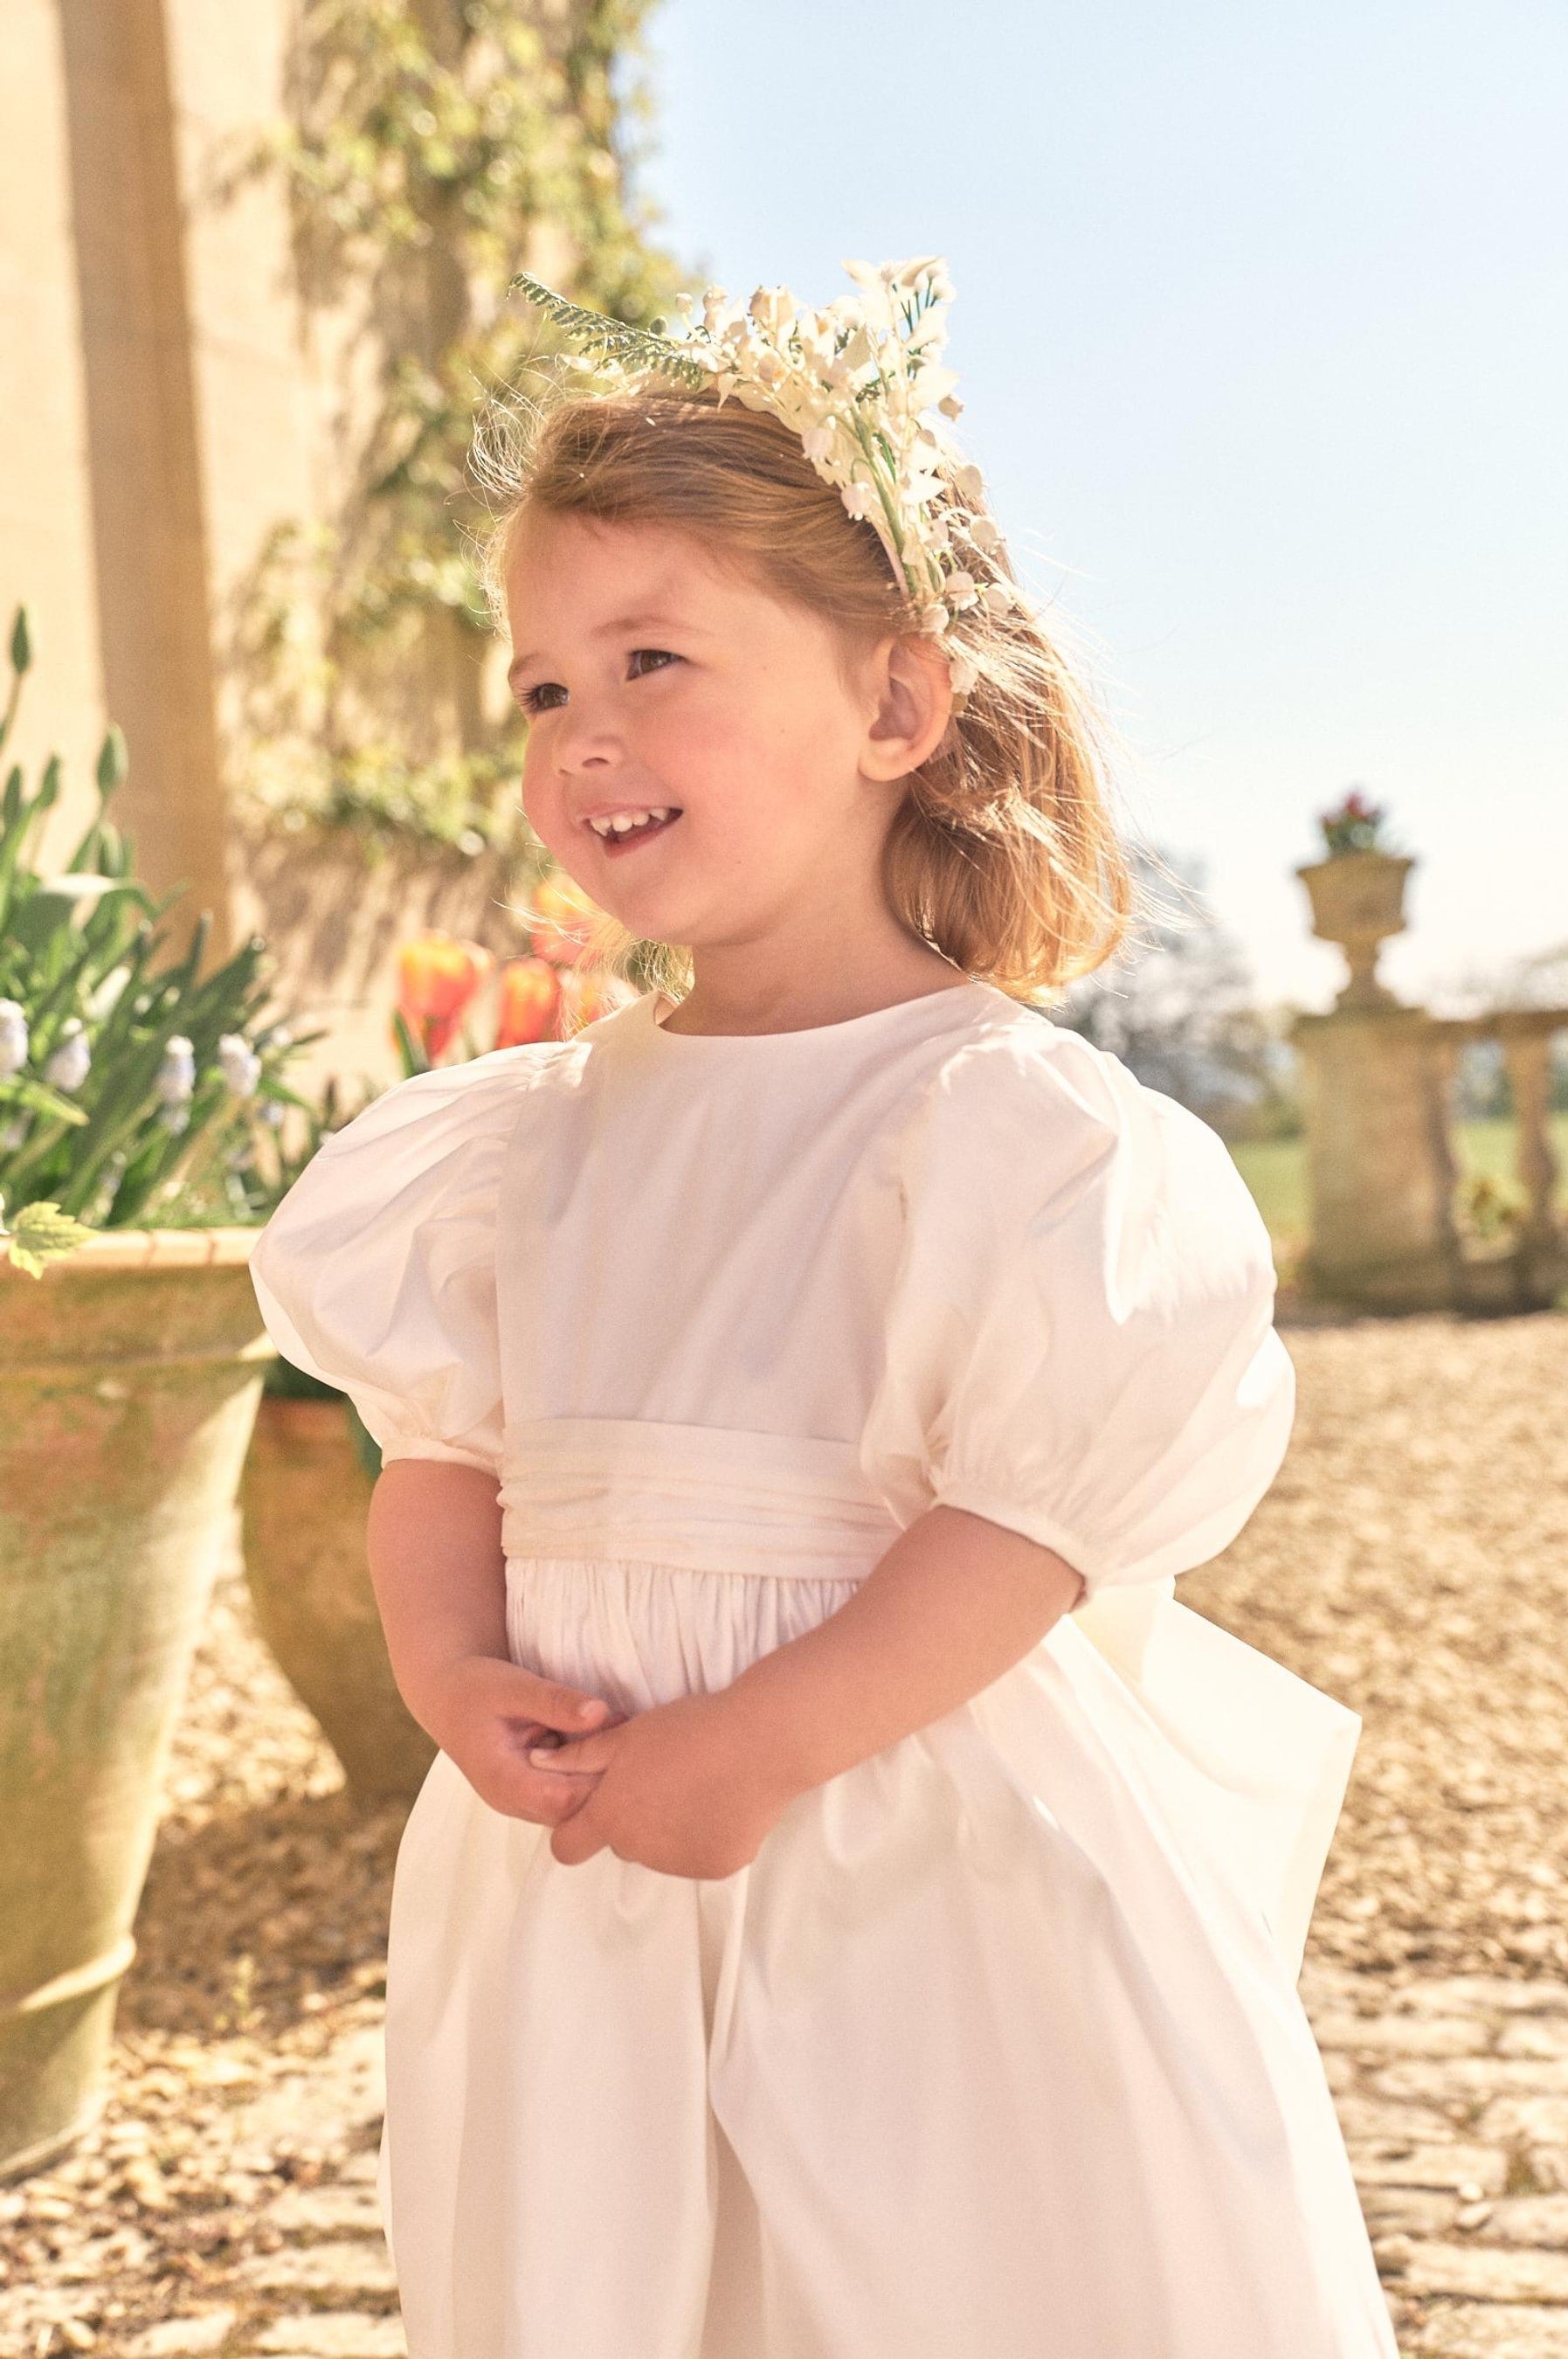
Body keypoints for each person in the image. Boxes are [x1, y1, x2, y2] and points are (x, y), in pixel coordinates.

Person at [250, 258, 1397, 2359]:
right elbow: (448, 1457)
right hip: (590, 1866)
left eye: (653, 659)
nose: (584, 732)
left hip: (903, 1853)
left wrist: (763, 1747)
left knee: (932, 2275)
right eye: (538, 688)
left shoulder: (996, 1135)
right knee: (619, 2277)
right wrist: (445, 1669)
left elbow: (1022, 1532)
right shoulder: (518, 1146)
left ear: (891, 705)